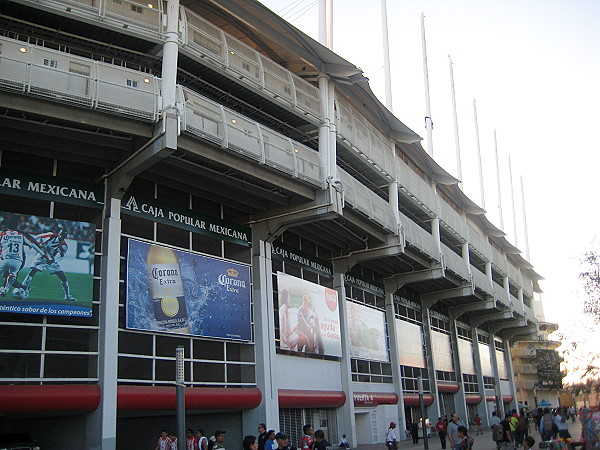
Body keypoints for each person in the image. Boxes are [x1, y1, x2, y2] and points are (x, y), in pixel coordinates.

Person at [20, 228, 78, 300]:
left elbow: (62, 256)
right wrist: (31, 242)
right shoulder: (51, 235)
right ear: (58, 233)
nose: (61, 236)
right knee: (33, 271)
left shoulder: (64, 245)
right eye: (60, 234)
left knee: (63, 277)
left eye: (63, 236)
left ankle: (67, 296)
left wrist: (54, 261)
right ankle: (23, 289)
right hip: (41, 255)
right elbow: (40, 236)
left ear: (65, 237)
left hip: (51, 259)